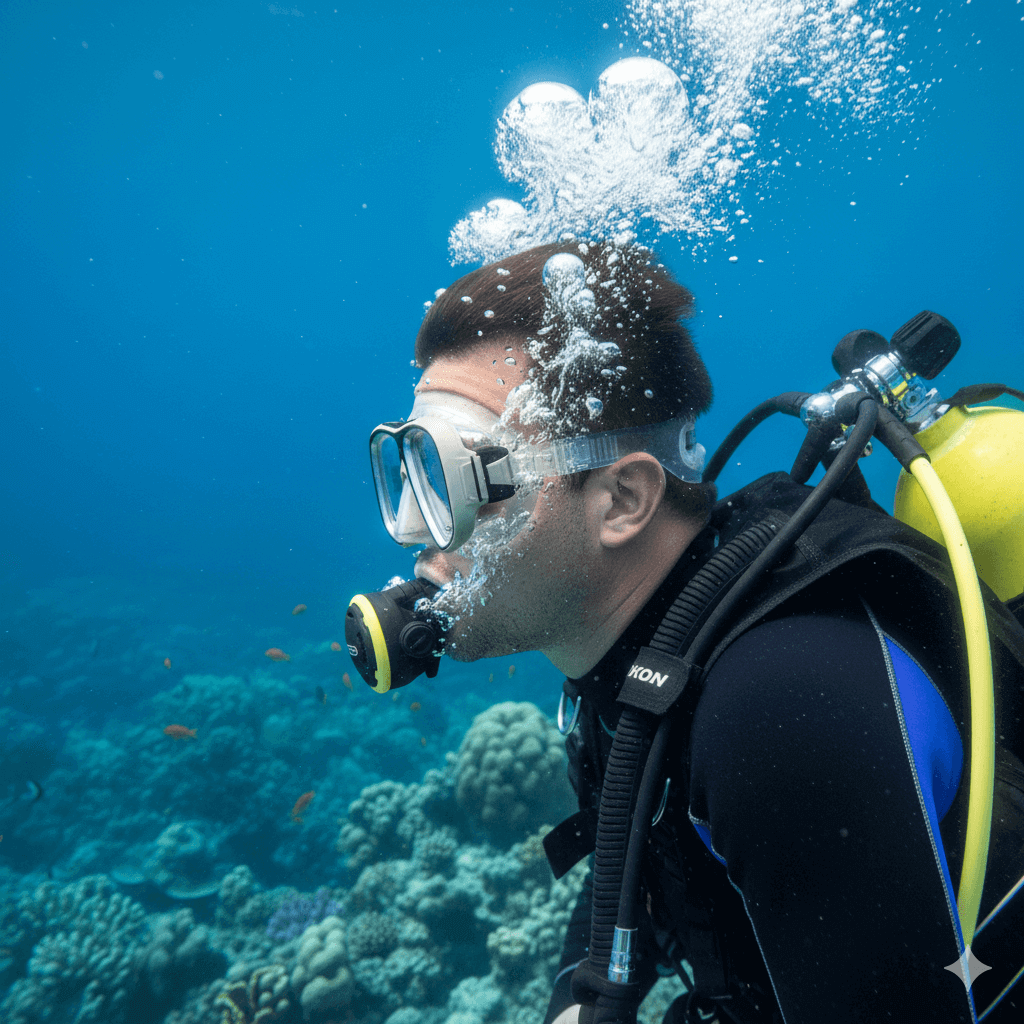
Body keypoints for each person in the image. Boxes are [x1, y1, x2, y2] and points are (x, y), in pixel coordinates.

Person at [367, 240, 1024, 1023]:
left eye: (452, 480)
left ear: (621, 501)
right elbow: (636, 844)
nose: (414, 532)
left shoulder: (775, 710)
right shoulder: (641, 655)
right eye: (409, 472)